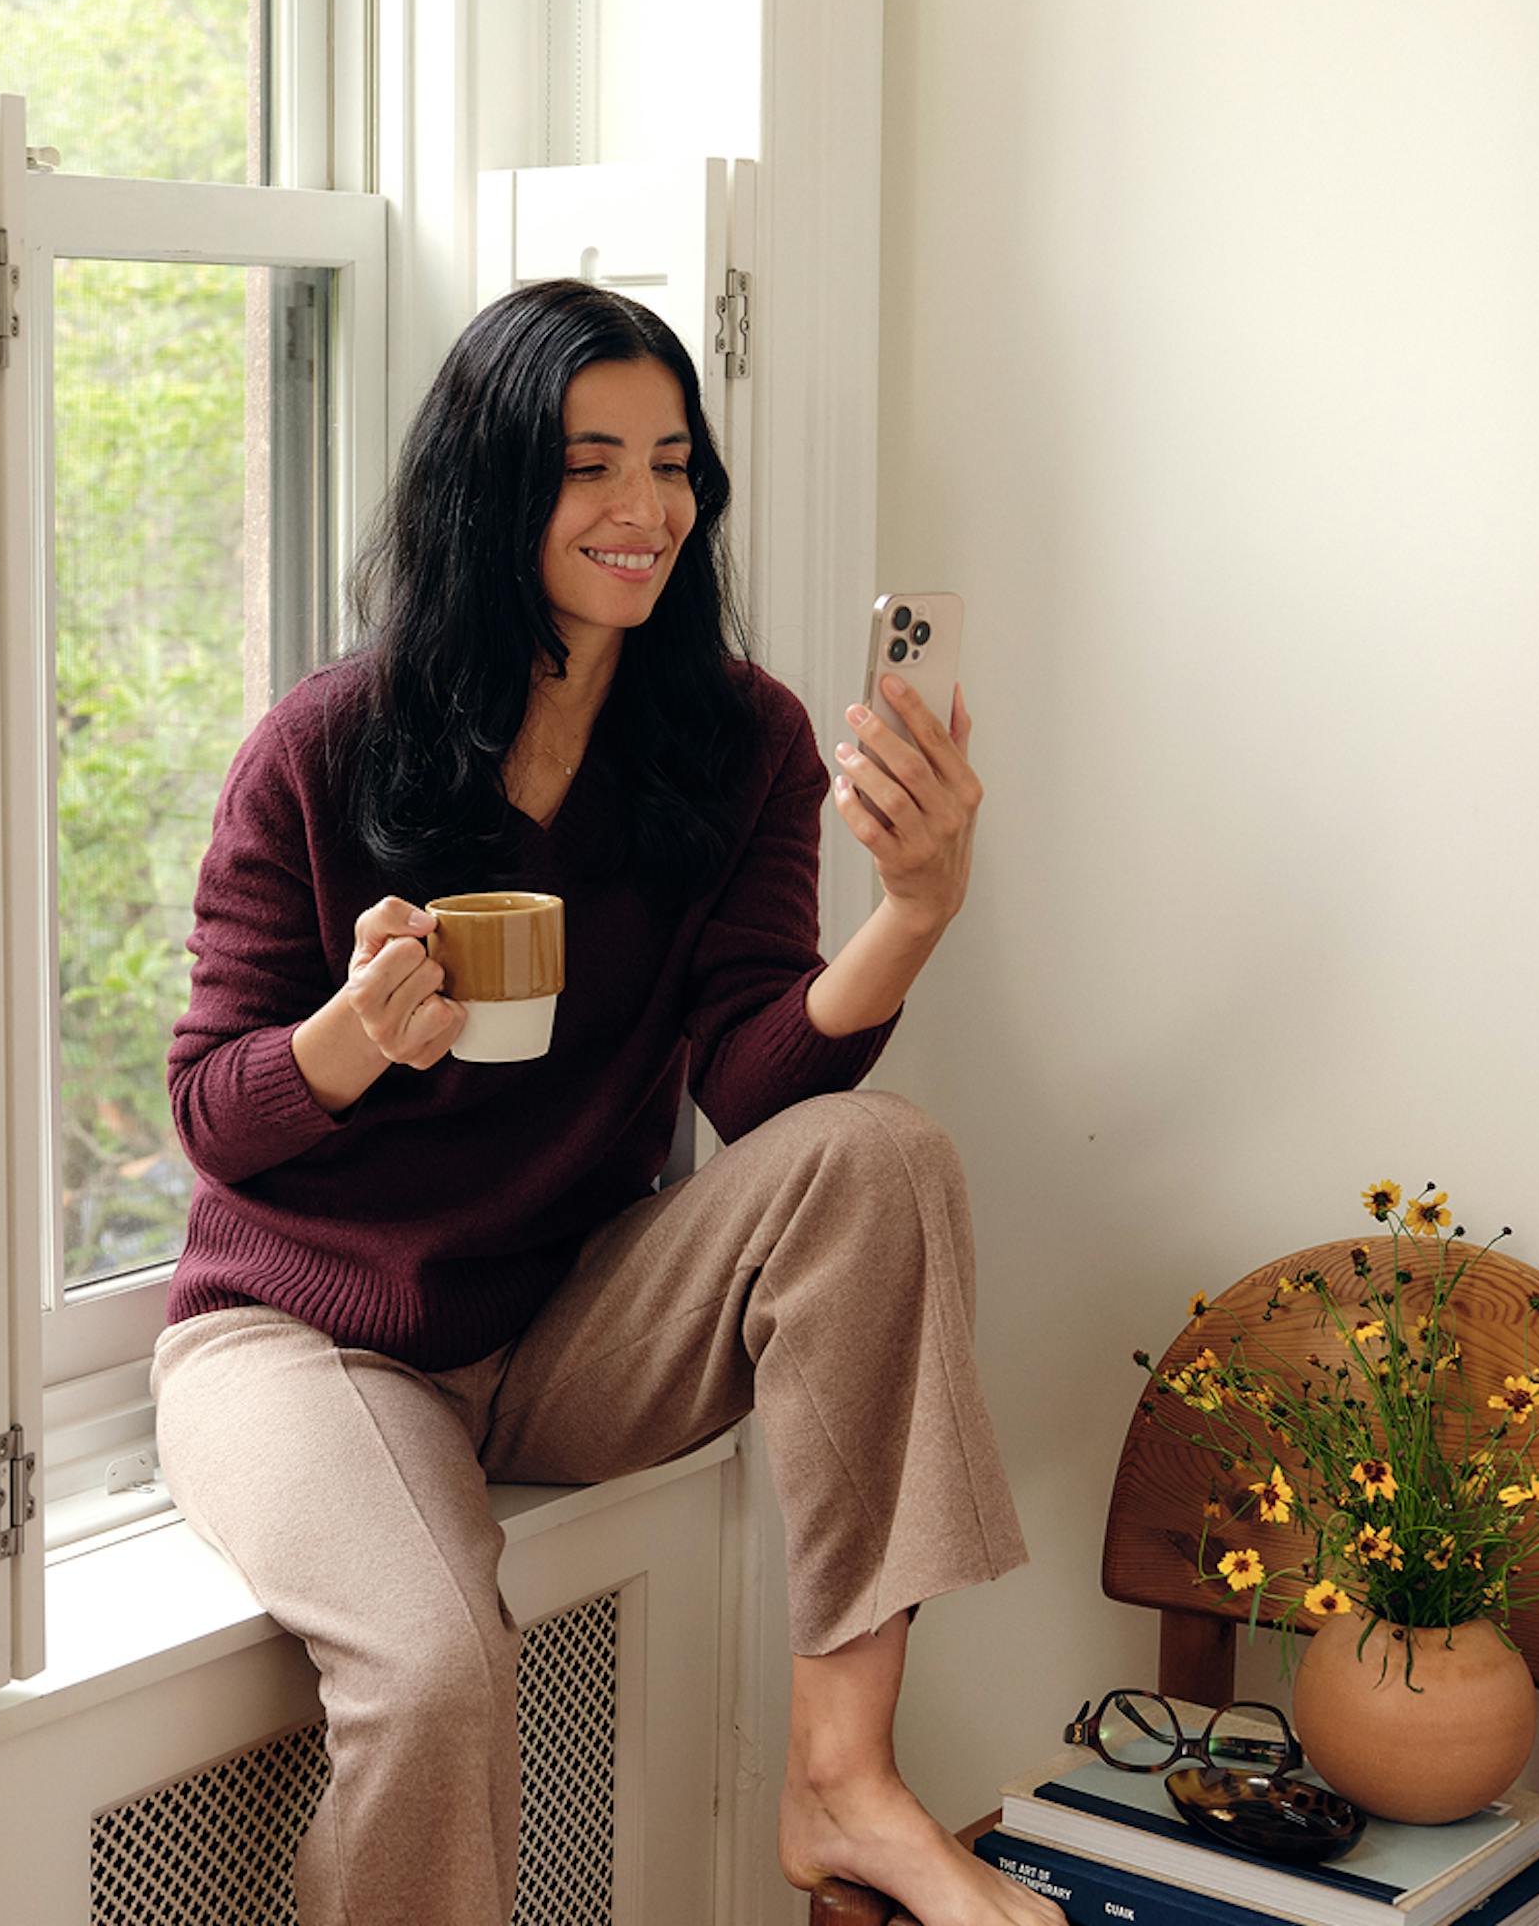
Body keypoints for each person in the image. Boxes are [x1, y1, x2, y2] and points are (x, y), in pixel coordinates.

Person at [152, 278, 1055, 1926]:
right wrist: (350, 1038)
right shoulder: (326, 747)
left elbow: (750, 1079)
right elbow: (210, 1112)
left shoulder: (741, 740)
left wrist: (913, 917)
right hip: (302, 1336)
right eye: (589, 465)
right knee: (435, 1678)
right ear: (496, 485)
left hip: (567, 1315)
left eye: (673, 461)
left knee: (881, 1156)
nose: (646, 509)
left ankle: (843, 1780)